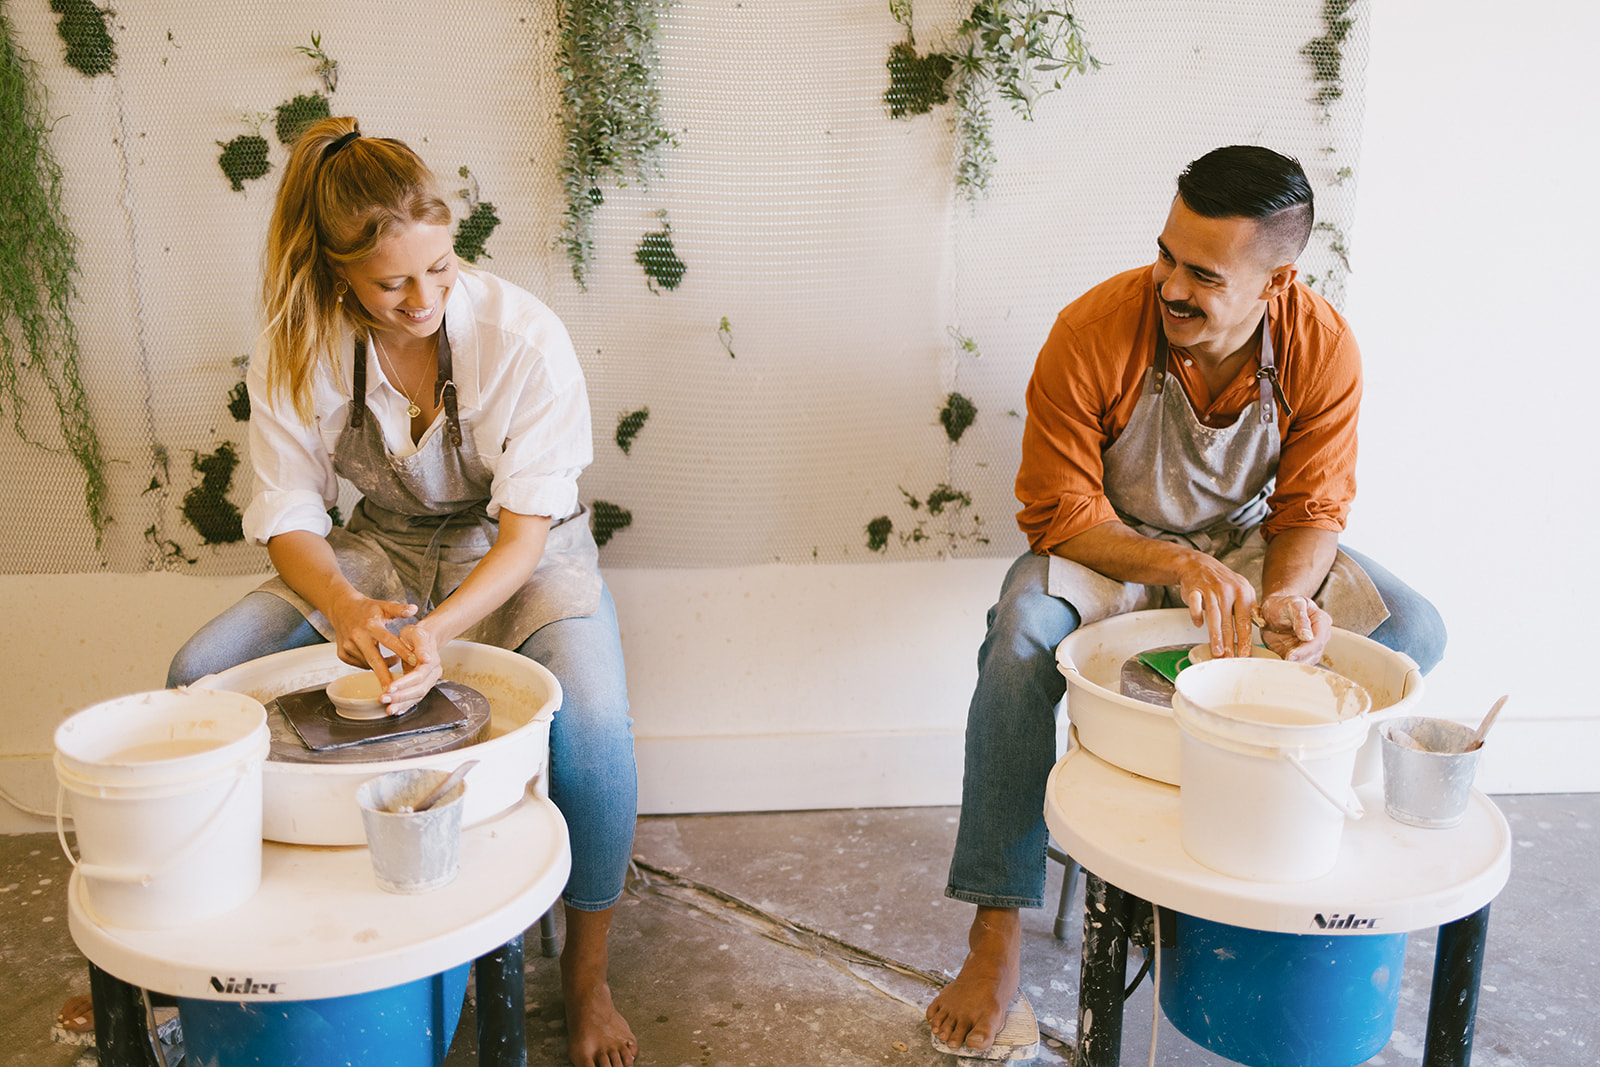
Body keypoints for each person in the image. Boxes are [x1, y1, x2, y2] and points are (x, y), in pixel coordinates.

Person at [925, 145, 1446, 1054]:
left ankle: (1262, 830)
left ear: (1275, 283)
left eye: (1202, 274)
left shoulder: (1320, 345)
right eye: (1166, 254)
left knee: (1413, 629)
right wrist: (1170, 559)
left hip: (1249, 548)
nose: (1169, 284)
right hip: (1113, 542)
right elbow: (1057, 509)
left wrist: (1285, 596)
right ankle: (996, 929)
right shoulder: (1094, 330)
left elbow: (1313, 507)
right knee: (1015, 643)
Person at [167, 117, 639, 1067]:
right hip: (375, 550)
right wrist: (344, 606)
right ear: (340, 272)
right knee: (199, 673)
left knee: (589, 720)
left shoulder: (522, 339)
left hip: (516, 555)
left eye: (442, 267)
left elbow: (523, 536)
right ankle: (202, 942)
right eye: (393, 283)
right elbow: (292, 515)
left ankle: (587, 979)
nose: (423, 297)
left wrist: (440, 636)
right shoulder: (296, 347)